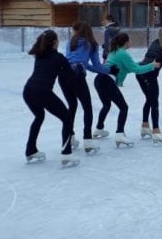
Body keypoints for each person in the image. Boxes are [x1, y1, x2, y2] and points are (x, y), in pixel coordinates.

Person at [23, 30, 77, 167]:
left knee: (39, 116)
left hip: (28, 91)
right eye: (57, 40)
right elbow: (70, 77)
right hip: (42, 92)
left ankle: (31, 150)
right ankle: (67, 154)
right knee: (67, 118)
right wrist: (79, 70)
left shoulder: (39, 55)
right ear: (54, 43)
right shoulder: (58, 57)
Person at [65, 21, 115, 153]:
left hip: (64, 75)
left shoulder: (70, 43)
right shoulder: (91, 45)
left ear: (76, 31)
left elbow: (80, 63)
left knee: (72, 106)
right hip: (77, 76)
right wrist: (109, 70)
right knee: (87, 108)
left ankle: (69, 137)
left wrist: (100, 70)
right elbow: (96, 66)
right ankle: (87, 140)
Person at [103, 32, 160, 147]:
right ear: (125, 42)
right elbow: (135, 70)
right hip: (108, 81)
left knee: (107, 105)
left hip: (101, 80)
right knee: (123, 107)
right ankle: (119, 134)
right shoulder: (123, 53)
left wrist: (139, 64)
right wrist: (151, 66)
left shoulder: (115, 51)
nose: (131, 42)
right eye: (129, 40)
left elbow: (128, 68)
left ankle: (99, 128)